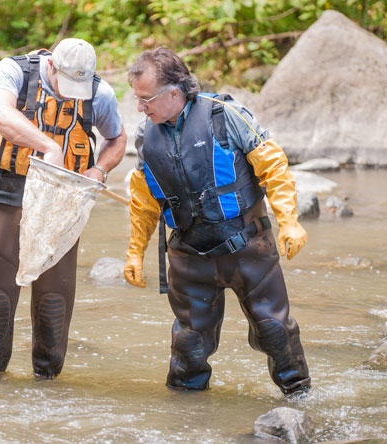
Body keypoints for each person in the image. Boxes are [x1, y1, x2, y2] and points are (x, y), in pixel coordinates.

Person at [124, 48, 310, 395]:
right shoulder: (144, 136)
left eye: (145, 99)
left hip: (248, 248)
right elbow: (144, 199)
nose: (140, 107)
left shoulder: (226, 116)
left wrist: (289, 222)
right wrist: (136, 252)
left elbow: (274, 168)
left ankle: (300, 399)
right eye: (138, 99)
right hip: (188, 256)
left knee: (275, 332)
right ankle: (188, 419)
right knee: (189, 346)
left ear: (174, 93)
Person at [0, 38, 127, 378]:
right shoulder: (14, 71)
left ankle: (47, 382)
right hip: (8, 196)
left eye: (80, 87)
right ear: (50, 67)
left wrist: (99, 169)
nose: (74, 95)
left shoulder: (99, 93)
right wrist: (47, 146)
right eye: (67, 85)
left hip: (63, 206)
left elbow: (117, 139)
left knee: (53, 306)